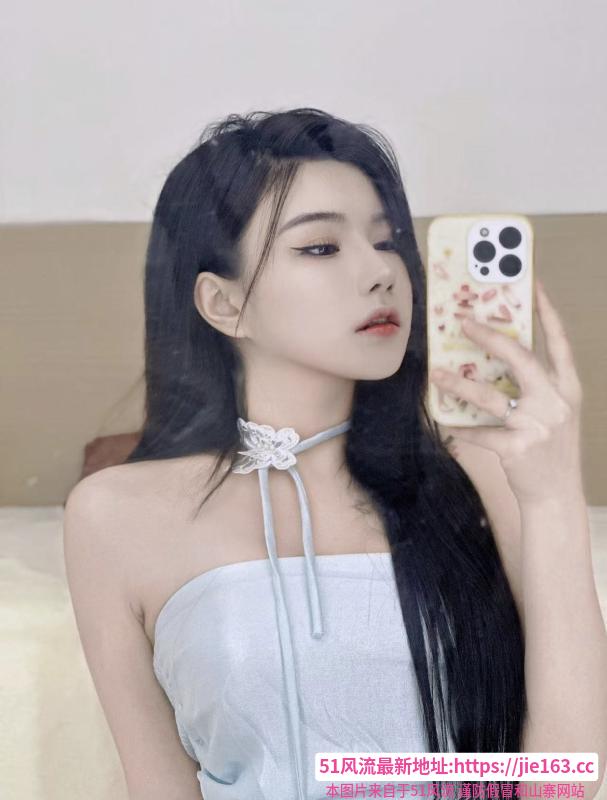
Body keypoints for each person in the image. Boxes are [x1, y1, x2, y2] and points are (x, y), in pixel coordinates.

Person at [63, 108, 527, 800]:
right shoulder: (111, 516)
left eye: (387, 241)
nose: (381, 271)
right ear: (224, 304)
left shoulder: (482, 474)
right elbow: (157, 782)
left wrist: (549, 493)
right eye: (320, 247)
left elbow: (567, 776)